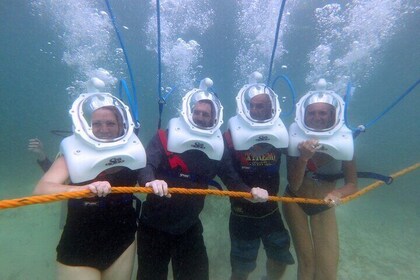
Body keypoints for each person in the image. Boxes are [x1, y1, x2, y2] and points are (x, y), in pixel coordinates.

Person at [136, 78, 268, 280]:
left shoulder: (218, 146)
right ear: (189, 113)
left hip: (188, 227)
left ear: (214, 118)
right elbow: (146, 166)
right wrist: (150, 181)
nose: (199, 116)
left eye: (205, 114)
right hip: (153, 226)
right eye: (196, 112)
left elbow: (233, 181)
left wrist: (251, 193)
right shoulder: (164, 137)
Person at [33, 92, 146, 280]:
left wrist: (154, 181)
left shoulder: (133, 149)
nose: (103, 129)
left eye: (110, 123)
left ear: (122, 125)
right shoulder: (74, 152)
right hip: (79, 244)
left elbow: (146, 174)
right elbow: (42, 189)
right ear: (87, 126)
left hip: (123, 240)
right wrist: (83, 190)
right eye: (97, 124)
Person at [283, 80, 358, 280]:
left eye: (323, 113)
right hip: (295, 201)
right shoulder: (295, 137)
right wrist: (303, 158)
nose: (317, 117)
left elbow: (352, 184)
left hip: (325, 204)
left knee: (327, 271)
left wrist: (337, 193)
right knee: (306, 264)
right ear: (304, 114)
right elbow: (294, 184)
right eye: (312, 112)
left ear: (333, 115)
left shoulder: (344, 140)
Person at [224, 72, 294, 280]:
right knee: (241, 268)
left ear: (272, 108)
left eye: (260, 106)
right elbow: (227, 172)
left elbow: (298, 158)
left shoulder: (280, 132)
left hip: (271, 211)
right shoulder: (231, 134)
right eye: (251, 105)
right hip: (241, 213)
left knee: (280, 258)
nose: (254, 110)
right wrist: (246, 192)